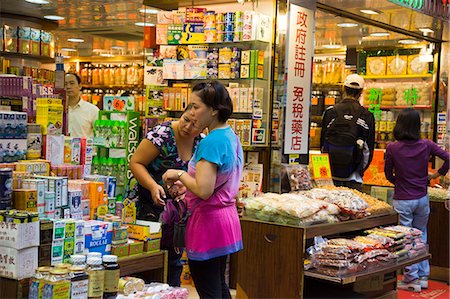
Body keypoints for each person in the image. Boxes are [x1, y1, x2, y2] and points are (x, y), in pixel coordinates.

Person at [163, 81, 243, 298]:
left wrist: (178, 174)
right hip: (225, 221)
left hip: (208, 224)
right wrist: (187, 183)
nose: (191, 112)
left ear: (214, 110)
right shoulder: (230, 136)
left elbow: (204, 190)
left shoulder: (212, 142)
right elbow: (216, 180)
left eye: (196, 106)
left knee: (208, 289)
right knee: (218, 284)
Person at [129, 104, 203, 287]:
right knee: (147, 261)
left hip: (177, 215)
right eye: (186, 120)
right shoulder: (162, 133)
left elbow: (196, 177)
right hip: (148, 210)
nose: (187, 127)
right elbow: (136, 162)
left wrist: (185, 188)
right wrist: (153, 186)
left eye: (195, 125)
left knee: (174, 261)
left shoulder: (201, 142)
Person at [384, 108, 449, 292]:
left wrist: (399, 181)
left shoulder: (392, 148)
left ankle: (411, 278)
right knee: (421, 235)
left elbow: (388, 174)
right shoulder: (427, 144)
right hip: (422, 198)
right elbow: (448, 158)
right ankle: (422, 276)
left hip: (403, 199)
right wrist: (436, 175)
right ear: (417, 126)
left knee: (406, 238)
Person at [321, 74, 375, 191]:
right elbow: (369, 151)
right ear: (361, 92)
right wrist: (359, 171)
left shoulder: (330, 112)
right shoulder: (367, 115)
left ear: (343, 89)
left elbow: (322, 144)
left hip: (331, 175)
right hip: (354, 177)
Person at [65, 73, 99, 137]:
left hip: (84, 147)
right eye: (65, 84)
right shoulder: (57, 109)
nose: (68, 87)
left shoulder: (93, 110)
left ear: (80, 86)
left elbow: (99, 134)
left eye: (72, 83)